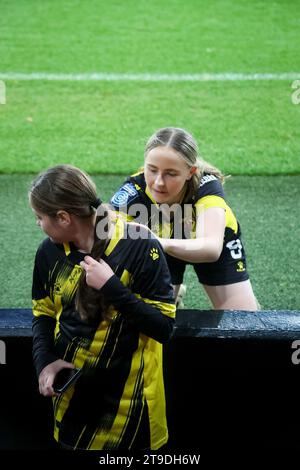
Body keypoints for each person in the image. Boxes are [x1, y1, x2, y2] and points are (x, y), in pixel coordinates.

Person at [29, 164, 176, 451]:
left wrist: (111, 287)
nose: (38, 224)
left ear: (63, 217)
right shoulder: (49, 252)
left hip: (132, 413)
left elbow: (163, 328)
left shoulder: (140, 245)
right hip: (73, 403)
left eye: (39, 217)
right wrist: (44, 359)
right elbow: (43, 313)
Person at [110, 127, 258, 310]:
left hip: (211, 243)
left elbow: (211, 249)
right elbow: (108, 239)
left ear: (190, 172)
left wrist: (156, 241)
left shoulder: (207, 186)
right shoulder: (134, 190)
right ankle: (173, 294)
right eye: (152, 169)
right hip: (159, 247)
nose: (158, 182)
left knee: (243, 322)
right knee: (149, 320)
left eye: (171, 173)